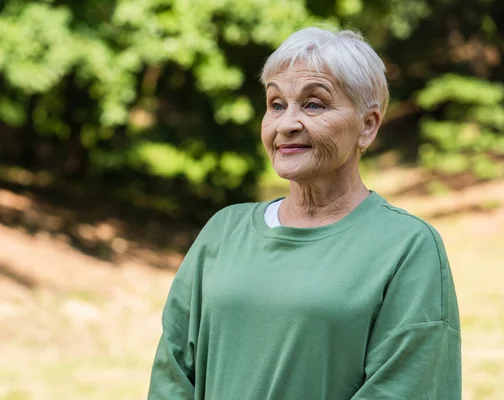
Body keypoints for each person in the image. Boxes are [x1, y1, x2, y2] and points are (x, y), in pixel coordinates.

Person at [147, 26, 461, 400]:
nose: (286, 123)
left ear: (367, 125)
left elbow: (408, 387)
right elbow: (173, 376)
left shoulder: (407, 247)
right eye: (276, 104)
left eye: (314, 104)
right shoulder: (223, 230)